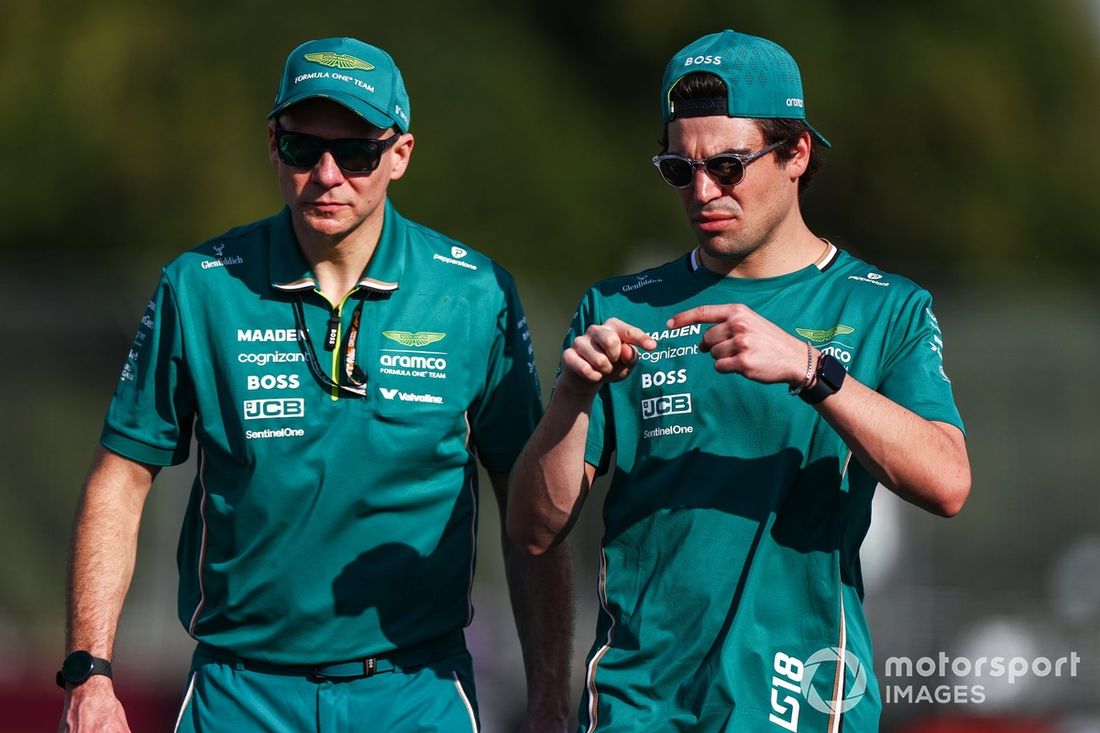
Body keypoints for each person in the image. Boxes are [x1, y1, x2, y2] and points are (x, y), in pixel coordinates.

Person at [58, 37, 572, 733]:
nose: (328, 174)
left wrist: (547, 692)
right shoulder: (200, 286)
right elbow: (120, 478)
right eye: (305, 148)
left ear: (401, 154)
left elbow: (529, 507)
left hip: (415, 690)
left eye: (357, 152)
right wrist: (90, 672)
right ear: (274, 145)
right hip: (239, 691)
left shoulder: (474, 293)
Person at [507, 29, 971, 732]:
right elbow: (532, 529)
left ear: (796, 154)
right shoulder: (618, 308)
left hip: (800, 706)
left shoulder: (882, 306)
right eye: (678, 168)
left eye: (727, 165)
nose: (702, 192)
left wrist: (811, 369)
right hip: (639, 709)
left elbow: (947, 481)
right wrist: (572, 397)